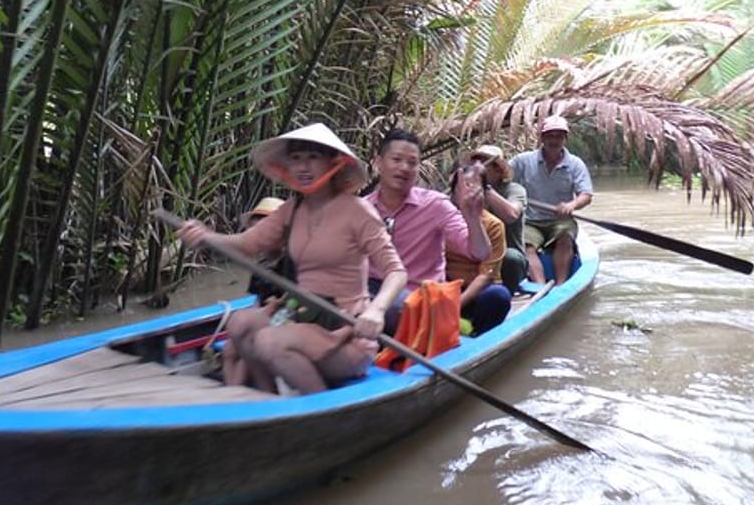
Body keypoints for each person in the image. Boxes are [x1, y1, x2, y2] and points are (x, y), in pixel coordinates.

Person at [177, 123, 407, 394]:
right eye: (296, 158)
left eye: (312, 157)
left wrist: (376, 310)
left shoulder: (358, 211)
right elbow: (247, 244)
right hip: (298, 313)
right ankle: (267, 397)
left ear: (333, 162)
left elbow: (396, 272)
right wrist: (205, 236)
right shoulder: (292, 210)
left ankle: (317, 410)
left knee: (268, 341)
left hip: (343, 329)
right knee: (240, 323)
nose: (303, 167)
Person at [363, 128, 489, 334]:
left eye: (412, 163)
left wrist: (472, 217)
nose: (404, 168)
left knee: (394, 307)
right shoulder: (362, 208)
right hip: (371, 291)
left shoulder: (435, 205)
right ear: (378, 163)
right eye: (396, 159)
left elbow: (480, 253)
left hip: (419, 296)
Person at [508, 115, 593, 285]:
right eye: (550, 136)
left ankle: (561, 286)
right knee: (525, 245)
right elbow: (503, 178)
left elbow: (586, 195)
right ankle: (540, 288)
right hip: (531, 220)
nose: (554, 140)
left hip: (560, 220)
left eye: (559, 136)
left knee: (565, 240)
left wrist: (571, 205)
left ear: (565, 139)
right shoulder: (522, 161)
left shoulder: (575, 164)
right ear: (542, 138)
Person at [445, 161, 512, 335]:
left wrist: (456, 304)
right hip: (446, 287)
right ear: (453, 192)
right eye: (465, 187)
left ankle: (478, 335)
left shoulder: (493, 225)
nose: (470, 194)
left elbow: (486, 276)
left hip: (476, 292)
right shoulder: (441, 216)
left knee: (499, 296)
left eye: (476, 188)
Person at [469, 144, 528, 293]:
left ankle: (507, 295)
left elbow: (511, 215)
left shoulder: (514, 190)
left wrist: (485, 188)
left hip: (508, 257)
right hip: (476, 254)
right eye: (475, 163)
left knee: (511, 258)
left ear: (498, 170)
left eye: (484, 163)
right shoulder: (466, 190)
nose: (478, 168)